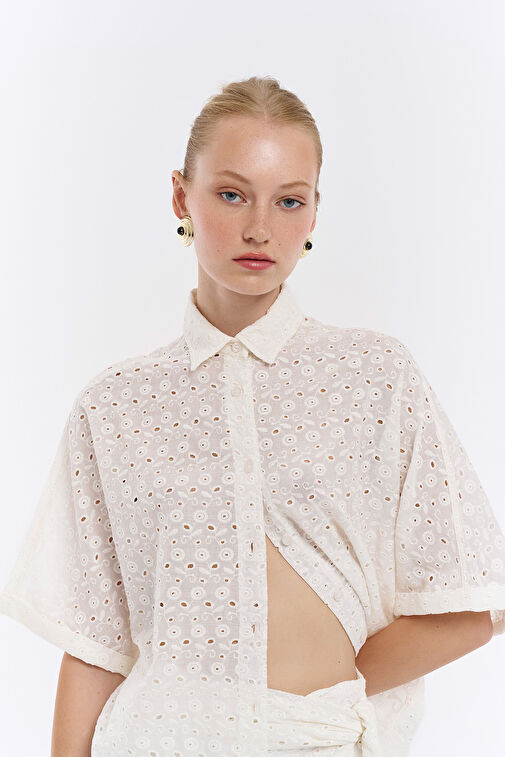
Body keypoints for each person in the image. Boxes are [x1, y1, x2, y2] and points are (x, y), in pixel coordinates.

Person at [0, 75, 504, 757]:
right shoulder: (114, 406)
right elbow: (94, 644)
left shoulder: (375, 376)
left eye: (289, 200)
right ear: (181, 196)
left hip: (318, 740)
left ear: (314, 213)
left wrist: (324, 698)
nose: (260, 228)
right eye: (232, 194)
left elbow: (470, 607)